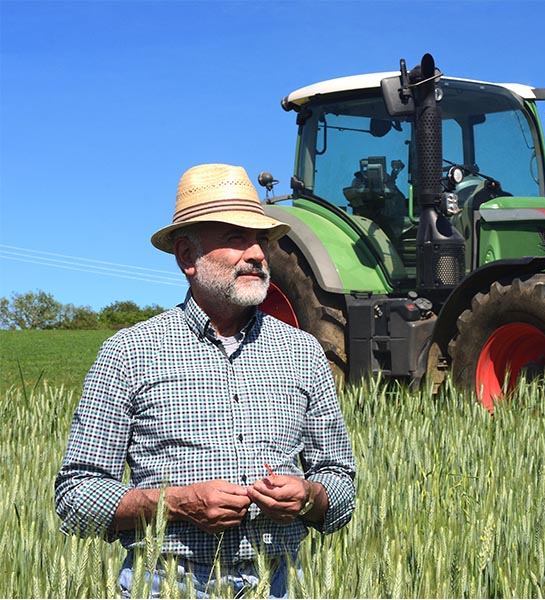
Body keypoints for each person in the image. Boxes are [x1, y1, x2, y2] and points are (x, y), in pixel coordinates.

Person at [55, 163, 357, 598]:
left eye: (261, 241)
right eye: (236, 238)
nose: (256, 253)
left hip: (277, 582)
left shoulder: (303, 352)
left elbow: (340, 482)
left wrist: (310, 494)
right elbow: (75, 496)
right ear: (186, 257)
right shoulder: (129, 352)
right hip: (164, 584)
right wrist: (175, 504)